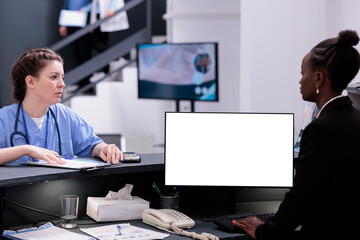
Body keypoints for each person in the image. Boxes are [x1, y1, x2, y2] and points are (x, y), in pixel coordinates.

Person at [233, 30, 360, 239]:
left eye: (303, 73)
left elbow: (301, 198)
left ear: (318, 77)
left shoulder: (322, 129)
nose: (300, 81)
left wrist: (263, 230)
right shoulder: (355, 117)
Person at [0, 48, 123, 165]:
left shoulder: (64, 115)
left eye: (62, 77)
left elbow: (92, 146)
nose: (62, 84)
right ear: (31, 82)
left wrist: (105, 148)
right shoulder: (4, 119)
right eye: (54, 77)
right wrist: (26, 150)